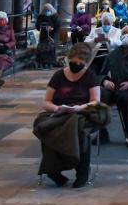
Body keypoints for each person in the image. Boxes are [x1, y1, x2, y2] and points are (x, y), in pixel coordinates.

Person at [35, 44, 104, 189]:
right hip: (59, 112)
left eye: (80, 63)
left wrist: (80, 108)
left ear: (85, 63)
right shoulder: (59, 75)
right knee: (45, 127)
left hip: (83, 113)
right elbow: (46, 102)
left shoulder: (90, 76)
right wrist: (57, 108)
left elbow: (95, 102)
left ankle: (82, 172)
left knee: (79, 130)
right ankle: (53, 171)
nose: (76, 65)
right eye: (73, 62)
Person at [97, 26, 128, 146]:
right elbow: (101, 73)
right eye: (124, 32)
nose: (126, 35)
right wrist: (104, 81)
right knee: (98, 94)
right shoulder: (113, 54)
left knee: (124, 99)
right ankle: (101, 132)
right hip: (113, 88)